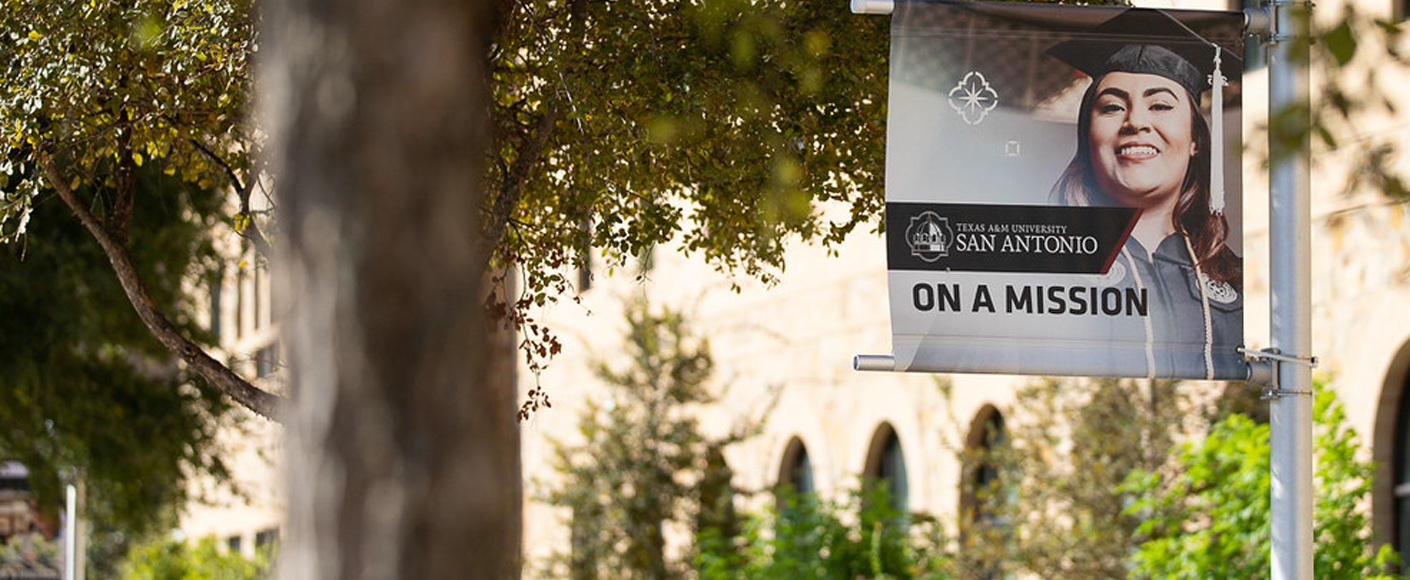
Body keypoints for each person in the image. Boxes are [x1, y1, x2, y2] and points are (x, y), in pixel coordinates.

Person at [1047, 9, 1244, 380]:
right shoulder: (1042, 271)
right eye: (1112, 107)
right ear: (1087, 137)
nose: (1135, 121)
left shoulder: (1236, 280)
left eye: (1161, 105)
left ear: (1195, 141)